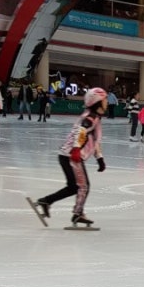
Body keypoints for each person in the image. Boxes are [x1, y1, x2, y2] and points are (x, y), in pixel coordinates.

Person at [31, 88, 108, 227]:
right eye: (104, 100)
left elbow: (94, 139)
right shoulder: (91, 117)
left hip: (66, 155)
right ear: (97, 102)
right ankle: (77, 215)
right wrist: (77, 149)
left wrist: (99, 158)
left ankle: (46, 201)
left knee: (74, 187)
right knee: (83, 187)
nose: (107, 102)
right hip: (71, 155)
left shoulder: (94, 116)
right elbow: (81, 131)